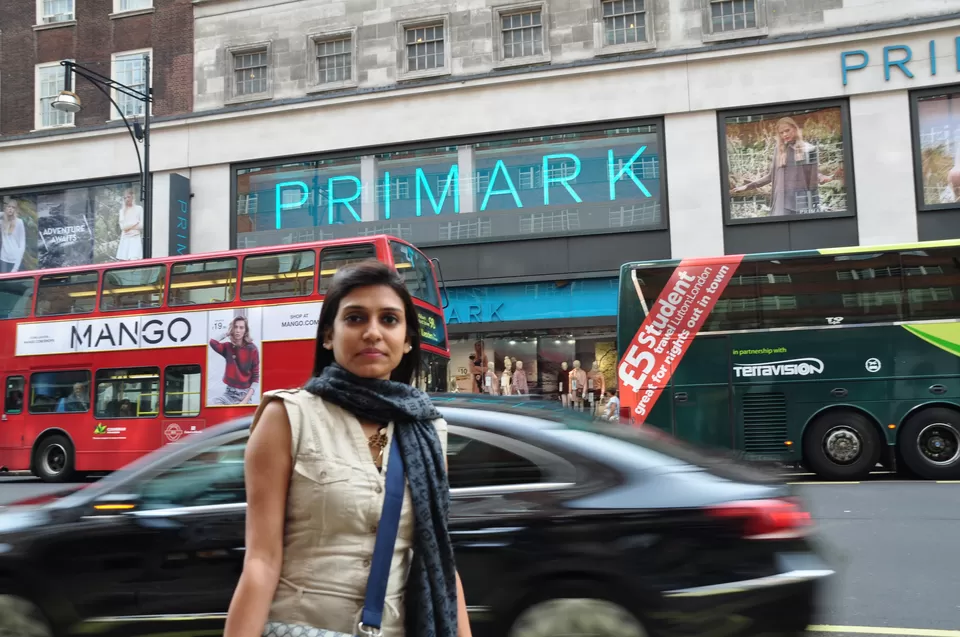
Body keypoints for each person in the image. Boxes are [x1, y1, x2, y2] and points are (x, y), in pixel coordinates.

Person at [223, 260, 471, 637]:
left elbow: (438, 555)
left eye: (389, 320)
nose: (372, 332)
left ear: (407, 340)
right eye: (355, 318)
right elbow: (261, 560)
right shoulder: (287, 417)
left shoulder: (429, 429)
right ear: (328, 335)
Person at [729, 117, 823, 217]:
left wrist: (822, 179)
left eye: (787, 130)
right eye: (781, 133)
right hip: (781, 203)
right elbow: (770, 176)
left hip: (800, 202)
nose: (785, 134)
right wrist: (748, 186)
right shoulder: (779, 151)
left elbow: (813, 178)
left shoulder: (807, 149)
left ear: (794, 129)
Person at [209, 316, 260, 405]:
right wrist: (227, 333)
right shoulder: (227, 347)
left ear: (245, 331)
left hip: (244, 396)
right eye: (235, 327)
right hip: (228, 394)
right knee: (212, 404)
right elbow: (212, 342)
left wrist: (244, 401)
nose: (238, 330)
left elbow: (255, 378)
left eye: (241, 327)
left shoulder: (252, 349)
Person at [116, 188, 143, 261]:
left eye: (128, 197)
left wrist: (128, 227)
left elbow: (141, 225)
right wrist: (135, 222)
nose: (127, 199)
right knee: (123, 261)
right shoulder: (122, 211)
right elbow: (122, 227)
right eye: (125, 198)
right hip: (125, 238)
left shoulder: (139, 209)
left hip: (135, 238)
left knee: (134, 259)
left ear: (133, 197)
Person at [1, 197, 26, 273]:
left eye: (13, 207)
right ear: (5, 208)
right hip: (3, 259)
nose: (11, 209)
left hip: (15, 259)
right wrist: (4, 213)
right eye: (9, 207)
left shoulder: (19, 222)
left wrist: (16, 267)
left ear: (16, 209)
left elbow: (22, 244)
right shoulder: (2, 222)